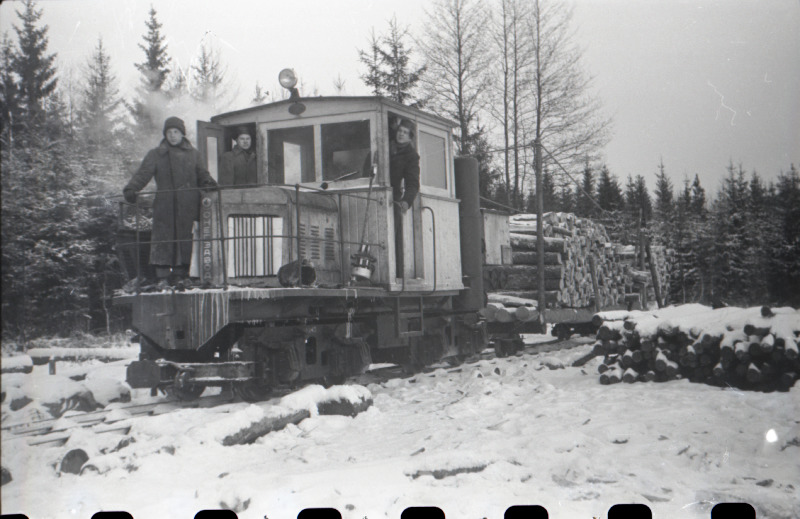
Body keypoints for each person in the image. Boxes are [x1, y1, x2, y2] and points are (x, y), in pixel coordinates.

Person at [123, 116, 217, 289]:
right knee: (163, 239)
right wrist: (131, 189)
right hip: (165, 205)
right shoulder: (156, 154)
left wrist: (209, 182)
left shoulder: (194, 154)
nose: (172, 135)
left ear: (182, 134)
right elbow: (143, 174)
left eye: (176, 132)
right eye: (169, 132)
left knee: (186, 238)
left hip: (188, 204)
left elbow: (202, 173)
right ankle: (163, 277)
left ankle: (183, 275)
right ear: (165, 134)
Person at [389, 118, 420, 277]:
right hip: (375, 193)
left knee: (394, 235)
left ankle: (397, 274)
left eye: (405, 133)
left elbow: (413, 184)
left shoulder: (411, 156)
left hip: (393, 197)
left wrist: (406, 201)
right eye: (400, 131)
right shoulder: (384, 146)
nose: (401, 134)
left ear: (410, 137)